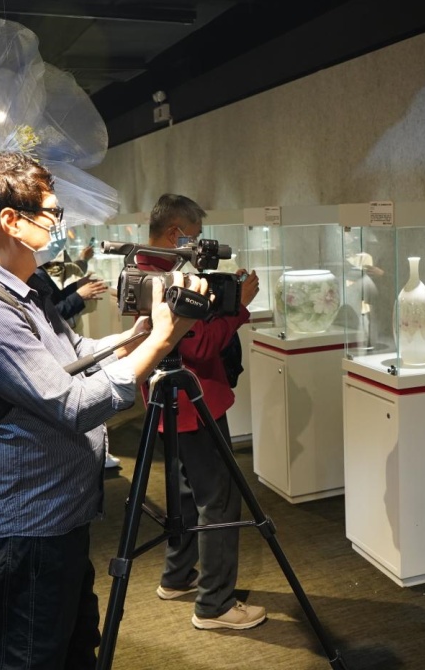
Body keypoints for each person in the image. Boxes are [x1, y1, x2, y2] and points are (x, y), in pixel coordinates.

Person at [0, 152, 206, 670]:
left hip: (57, 513)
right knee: (31, 657)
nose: (57, 222)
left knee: (74, 646)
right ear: (11, 221)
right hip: (25, 525)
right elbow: (73, 404)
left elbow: (73, 355)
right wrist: (162, 342)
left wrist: (135, 338)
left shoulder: (24, 292)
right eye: (51, 211)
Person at [137, 193, 265, 631]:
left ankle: (177, 576)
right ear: (176, 232)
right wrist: (240, 305)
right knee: (219, 500)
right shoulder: (165, 279)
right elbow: (202, 345)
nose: (200, 244)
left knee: (186, 493)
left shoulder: (145, 270)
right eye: (195, 235)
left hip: (170, 403)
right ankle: (215, 604)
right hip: (195, 402)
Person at [31, 263, 123, 469]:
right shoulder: (27, 276)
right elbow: (51, 316)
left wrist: (75, 289)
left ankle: (98, 450)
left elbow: (52, 305)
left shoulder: (34, 274)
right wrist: (78, 295)